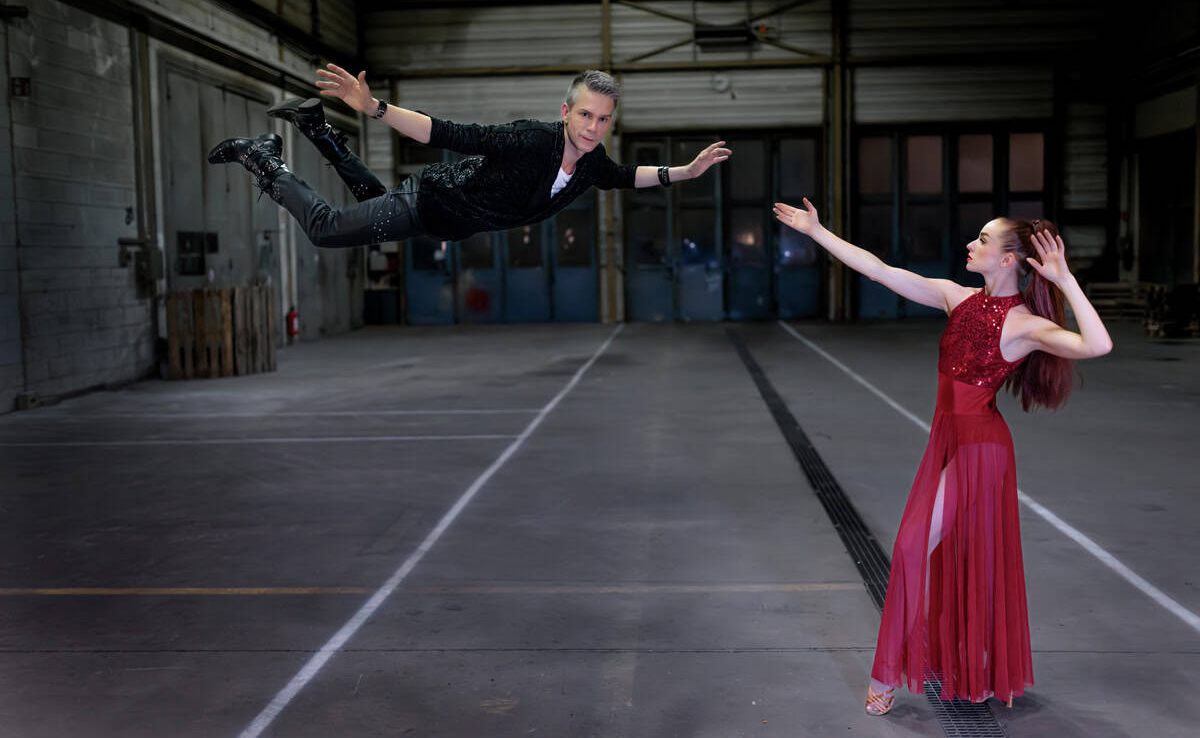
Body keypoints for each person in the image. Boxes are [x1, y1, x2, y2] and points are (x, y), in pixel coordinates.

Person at [773, 198, 1112, 714]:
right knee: (936, 554)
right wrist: (818, 233)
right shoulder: (957, 298)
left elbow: (1097, 345)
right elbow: (880, 270)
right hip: (948, 439)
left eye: (982, 240)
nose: (969, 245)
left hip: (981, 449)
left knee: (910, 547)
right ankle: (947, 663)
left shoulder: (1022, 325)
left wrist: (1065, 280)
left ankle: (885, 675)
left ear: (1007, 261)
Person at [207, 67, 731, 247]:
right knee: (326, 229)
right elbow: (448, 132)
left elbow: (623, 176)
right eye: (586, 116)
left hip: (444, 222)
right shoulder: (533, 140)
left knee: (369, 199)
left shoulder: (592, 162)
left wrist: (686, 170)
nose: (594, 129)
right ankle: (265, 159)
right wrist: (375, 107)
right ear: (566, 111)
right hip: (429, 202)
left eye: (604, 119)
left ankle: (316, 128)